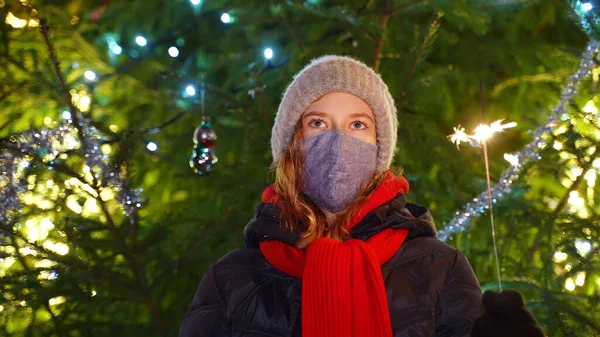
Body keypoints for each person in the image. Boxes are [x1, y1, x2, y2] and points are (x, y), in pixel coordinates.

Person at [178, 55, 483, 337]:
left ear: (379, 146)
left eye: (358, 124)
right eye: (318, 123)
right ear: (293, 143)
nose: (338, 141)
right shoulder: (233, 277)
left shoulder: (440, 268)